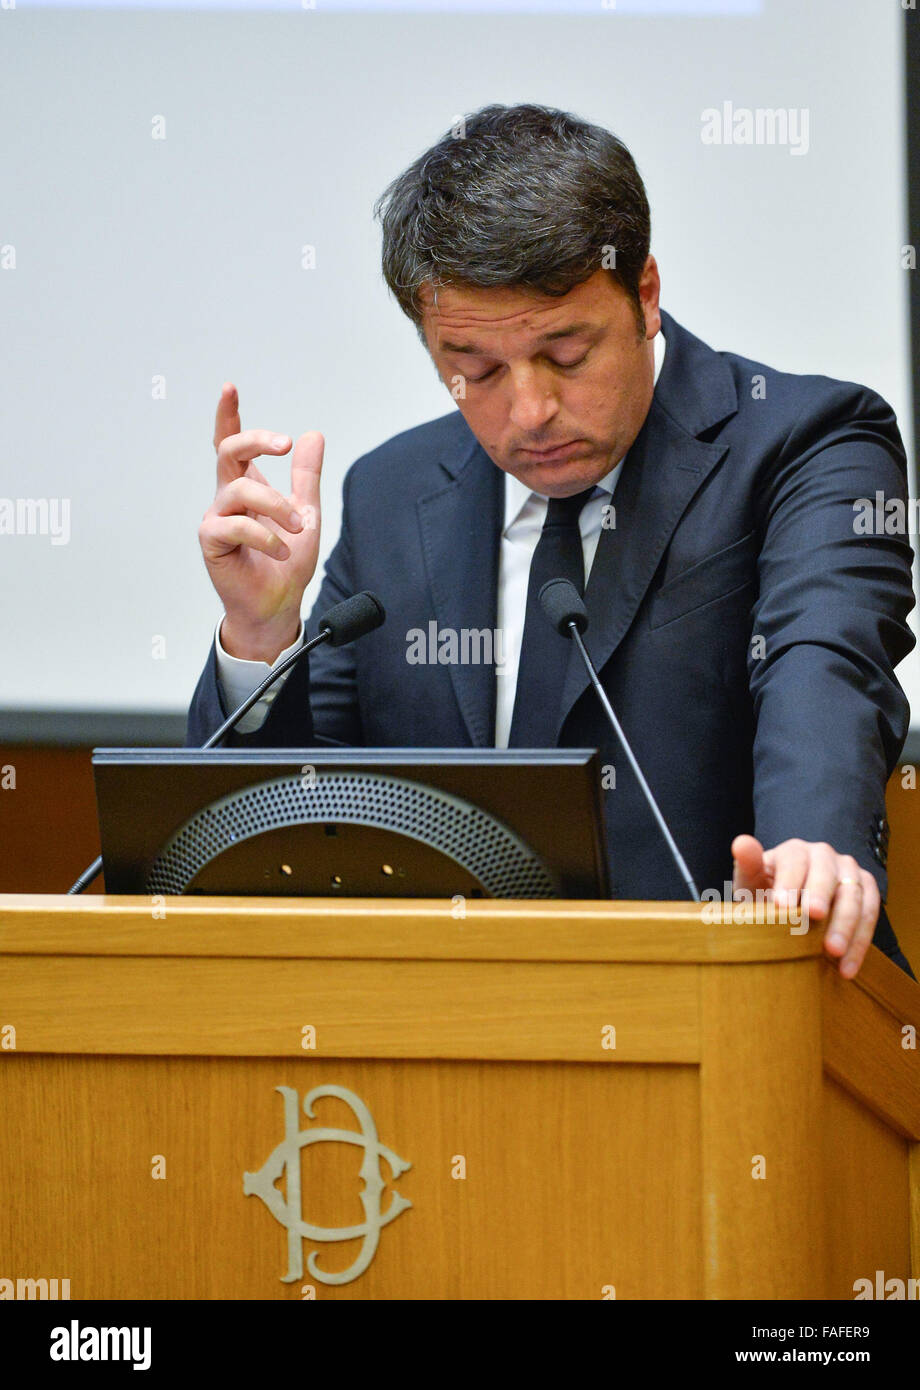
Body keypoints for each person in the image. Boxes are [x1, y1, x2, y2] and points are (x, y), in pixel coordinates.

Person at [187, 103, 916, 980]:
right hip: (451, 1051)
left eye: (566, 355)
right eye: (478, 368)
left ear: (644, 294)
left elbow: (824, 663)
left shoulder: (808, 443)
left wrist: (814, 845)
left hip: (733, 1008)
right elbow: (288, 828)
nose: (528, 412)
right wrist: (262, 638)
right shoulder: (390, 494)